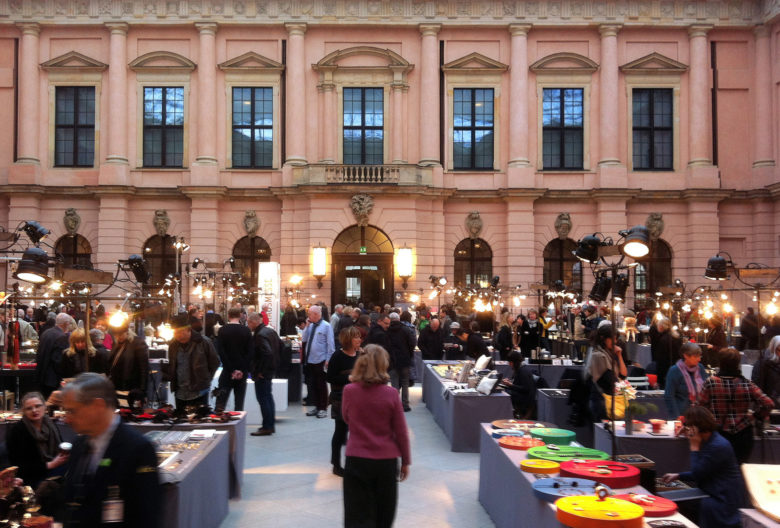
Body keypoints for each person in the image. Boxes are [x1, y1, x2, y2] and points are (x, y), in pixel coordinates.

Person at [61, 373, 160, 528]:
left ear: (98, 406)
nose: (67, 419)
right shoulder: (79, 445)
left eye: (72, 411)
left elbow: (146, 517)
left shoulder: (137, 449)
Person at [342, 345, 411, 528]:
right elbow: (401, 431)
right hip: (385, 461)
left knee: (356, 514)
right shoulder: (391, 394)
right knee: (384, 514)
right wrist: (405, 460)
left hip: (356, 458)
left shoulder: (349, 390)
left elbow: (346, 417)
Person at [662, 406, 745, 528]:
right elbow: (704, 470)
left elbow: (697, 474)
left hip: (721, 499)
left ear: (695, 428)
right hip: (713, 491)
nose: (687, 429)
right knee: (670, 500)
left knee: (678, 506)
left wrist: (694, 446)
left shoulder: (717, 445)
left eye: (688, 426)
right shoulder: (709, 439)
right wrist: (678, 475)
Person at [698, 347, 774, 463]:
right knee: (738, 471)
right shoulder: (747, 384)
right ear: (737, 363)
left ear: (721, 362)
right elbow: (768, 404)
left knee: (717, 470)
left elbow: (700, 407)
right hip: (743, 435)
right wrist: (755, 416)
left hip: (717, 433)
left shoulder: (711, 382)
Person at [7, 392, 68, 489]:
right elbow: (19, 467)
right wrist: (50, 465)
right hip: (30, 477)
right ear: (24, 411)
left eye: (38, 406)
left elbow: (60, 446)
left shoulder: (50, 424)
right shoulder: (18, 431)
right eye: (29, 408)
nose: (34, 410)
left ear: (44, 407)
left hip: (54, 469)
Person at [164, 313, 219, 410]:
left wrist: (206, 379)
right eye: (175, 333)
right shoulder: (173, 345)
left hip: (199, 391)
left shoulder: (203, 342)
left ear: (188, 330)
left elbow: (215, 362)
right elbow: (173, 364)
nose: (176, 335)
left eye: (179, 332)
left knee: (199, 421)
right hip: (180, 392)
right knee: (181, 421)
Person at [327, 326, 362, 476]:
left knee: (354, 432)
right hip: (340, 399)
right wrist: (348, 378)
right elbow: (330, 378)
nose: (359, 340)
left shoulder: (360, 354)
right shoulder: (337, 356)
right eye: (356, 337)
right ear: (348, 340)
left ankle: (353, 462)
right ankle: (336, 464)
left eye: (359, 337)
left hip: (358, 399)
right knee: (340, 431)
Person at [247, 312, 281, 436]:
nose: (248, 324)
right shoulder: (270, 331)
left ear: (254, 322)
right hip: (270, 370)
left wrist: (261, 371)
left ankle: (267, 426)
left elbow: (268, 353)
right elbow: (280, 348)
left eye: (249, 322)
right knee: (268, 397)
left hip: (263, 372)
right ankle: (269, 425)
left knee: (263, 398)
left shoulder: (260, 335)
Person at [585, 323, 627, 421]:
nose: (615, 342)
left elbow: (623, 375)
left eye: (616, 339)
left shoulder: (609, 353)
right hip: (600, 403)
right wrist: (622, 386)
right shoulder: (598, 355)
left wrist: (620, 356)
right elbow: (611, 380)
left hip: (607, 401)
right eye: (612, 338)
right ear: (603, 338)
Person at [215, 307, 253, 412]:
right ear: (240, 315)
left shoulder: (222, 330)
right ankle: (238, 426)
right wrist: (241, 369)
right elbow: (250, 352)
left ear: (228, 315)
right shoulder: (246, 330)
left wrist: (232, 370)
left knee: (221, 402)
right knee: (239, 403)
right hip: (242, 372)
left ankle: (218, 424)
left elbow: (221, 352)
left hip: (227, 371)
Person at [301, 305, 335, 418]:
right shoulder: (310, 326)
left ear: (316, 314)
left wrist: (328, 359)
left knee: (321, 384)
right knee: (313, 385)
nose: (308, 316)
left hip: (321, 359)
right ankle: (316, 406)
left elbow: (331, 344)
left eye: (309, 314)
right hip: (310, 359)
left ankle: (323, 408)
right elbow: (304, 338)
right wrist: (306, 326)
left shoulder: (326, 326)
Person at [664, 342, 709, 419]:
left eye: (700, 356)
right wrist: (676, 416)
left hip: (699, 415)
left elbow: (706, 390)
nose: (699, 359)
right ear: (686, 356)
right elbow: (669, 396)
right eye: (696, 356)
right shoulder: (674, 370)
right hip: (682, 415)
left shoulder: (700, 368)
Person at [35, 313, 72, 398]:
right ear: (66, 323)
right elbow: (58, 361)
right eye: (69, 323)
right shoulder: (61, 337)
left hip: (42, 376)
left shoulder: (46, 333)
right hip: (52, 379)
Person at [108, 320, 149, 395]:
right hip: (117, 386)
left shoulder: (138, 343)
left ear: (127, 332)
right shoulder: (117, 344)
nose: (118, 337)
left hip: (131, 387)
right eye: (116, 335)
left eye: (121, 334)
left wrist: (142, 390)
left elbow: (144, 369)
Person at [386, 312, 415, 412]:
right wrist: (409, 355)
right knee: (405, 383)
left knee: (394, 383)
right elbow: (412, 344)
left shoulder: (387, 330)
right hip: (404, 359)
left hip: (392, 360)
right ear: (398, 319)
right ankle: (405, 404)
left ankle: (395, 405)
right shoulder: (406, 329)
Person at [502, 351, 537, 419]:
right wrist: (510, 382)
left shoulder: (523, 371)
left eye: (510, 362)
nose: (509, 364)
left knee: (506, 393)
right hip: (523, 396)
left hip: (525, 400)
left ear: (514, 362)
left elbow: (526, 389)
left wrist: (511, 385)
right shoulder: (521, 369)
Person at [649, 316, 682, 388]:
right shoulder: (676, 337)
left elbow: (661, 360)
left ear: (661, 327)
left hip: (666, 372)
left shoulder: (663, 340)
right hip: (677, 369)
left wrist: (659, 380)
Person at [752, 335, 780, 407]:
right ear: (773, 349)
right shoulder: (762, 364)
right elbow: (757, 386)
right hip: (768, 405)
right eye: (779, 350)